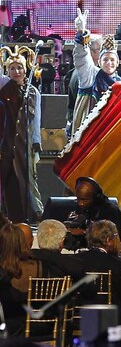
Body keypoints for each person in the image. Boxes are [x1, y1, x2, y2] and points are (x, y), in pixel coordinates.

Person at [0, 45, 42, 222]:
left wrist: (36, 143)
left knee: (25, 181)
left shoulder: (33, 92)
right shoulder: (4, 89)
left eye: (19, 68)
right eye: (12, 68)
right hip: (5, 142)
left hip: (24, 144)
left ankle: (28, 217)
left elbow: (36, 121)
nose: (16, 71)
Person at [72, 8, 121, 132]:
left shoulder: (120, 83)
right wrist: (81, 32)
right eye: (105, 59)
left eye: (112, 60)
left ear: (117, 63)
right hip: (89, 130)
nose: (109, 63)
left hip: (109, 130)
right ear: (99, 62)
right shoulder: (91, 75)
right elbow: (82, 57)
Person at [76, 220, 121, 315]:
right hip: (110, 318)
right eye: (116, 236)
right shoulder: (117, 264)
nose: (119, 240)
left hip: (79, 316)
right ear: (107, 240)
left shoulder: (74, 260)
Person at [64, 176, 121, 253]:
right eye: (78, 198)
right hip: (92, 255)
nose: (80, 203)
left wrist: (84, 232)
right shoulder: (83, 208)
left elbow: (111, 238)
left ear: (96, 197)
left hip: (114, 257)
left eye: (84, 200)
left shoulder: (110, 210)